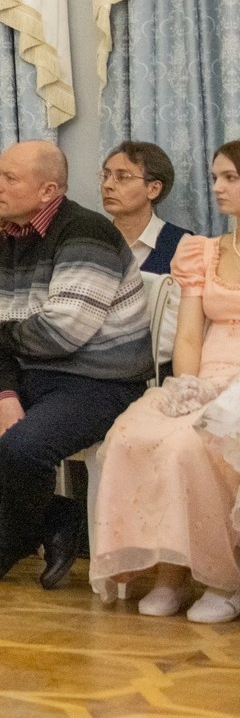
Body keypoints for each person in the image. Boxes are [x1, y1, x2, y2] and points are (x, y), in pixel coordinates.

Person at [0, 140, 152, 588]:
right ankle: (54, 516)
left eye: (8, 178)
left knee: (21, 448)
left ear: (48, 190)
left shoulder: (86, 234)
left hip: (99, 381)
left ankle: (6, 545)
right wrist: (4, 395)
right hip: (29, 376)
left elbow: (61, 332)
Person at [91, 141, 240, 623]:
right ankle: (168, 573)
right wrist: (187, 387)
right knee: (132, 435)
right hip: (207, 375)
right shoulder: (202, 251)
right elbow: (189, 335)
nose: (217, 187)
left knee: (191, 446)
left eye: (231, 178)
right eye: (216, 177)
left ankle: (223, 579)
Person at [102, 141, 197, 276]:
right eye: (105, 176)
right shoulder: (89, 239)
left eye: (122, 177)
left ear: (153, 189)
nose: (107, 185)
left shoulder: (182, 244)